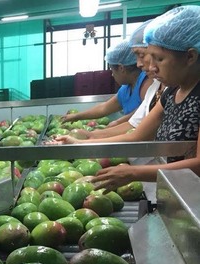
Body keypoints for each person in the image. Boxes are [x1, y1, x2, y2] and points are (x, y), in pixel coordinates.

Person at [48, 5, 200, 192]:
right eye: (150, 58)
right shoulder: (171, 93)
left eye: (159, 59)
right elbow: (136, 135)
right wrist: (78, 143)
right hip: (174, 192)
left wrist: (134, 173)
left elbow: (199, 165)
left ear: (190, 56)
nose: (151, 67)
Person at [66, 20, 165, 140]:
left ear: (121, 68)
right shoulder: (133, 89)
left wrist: (113, 125)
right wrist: (86, 128)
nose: (139, 64)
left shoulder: (148, 84)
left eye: (142, 55)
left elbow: (138, 125)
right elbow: (131, 122)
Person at [63, 40, 151, 127]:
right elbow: (104, 108)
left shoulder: (146, 82)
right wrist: (76, 116)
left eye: (112, 70)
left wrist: (117, 123)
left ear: (121, 68)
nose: (112, 75)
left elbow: (144, 112)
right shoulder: (126, 89)